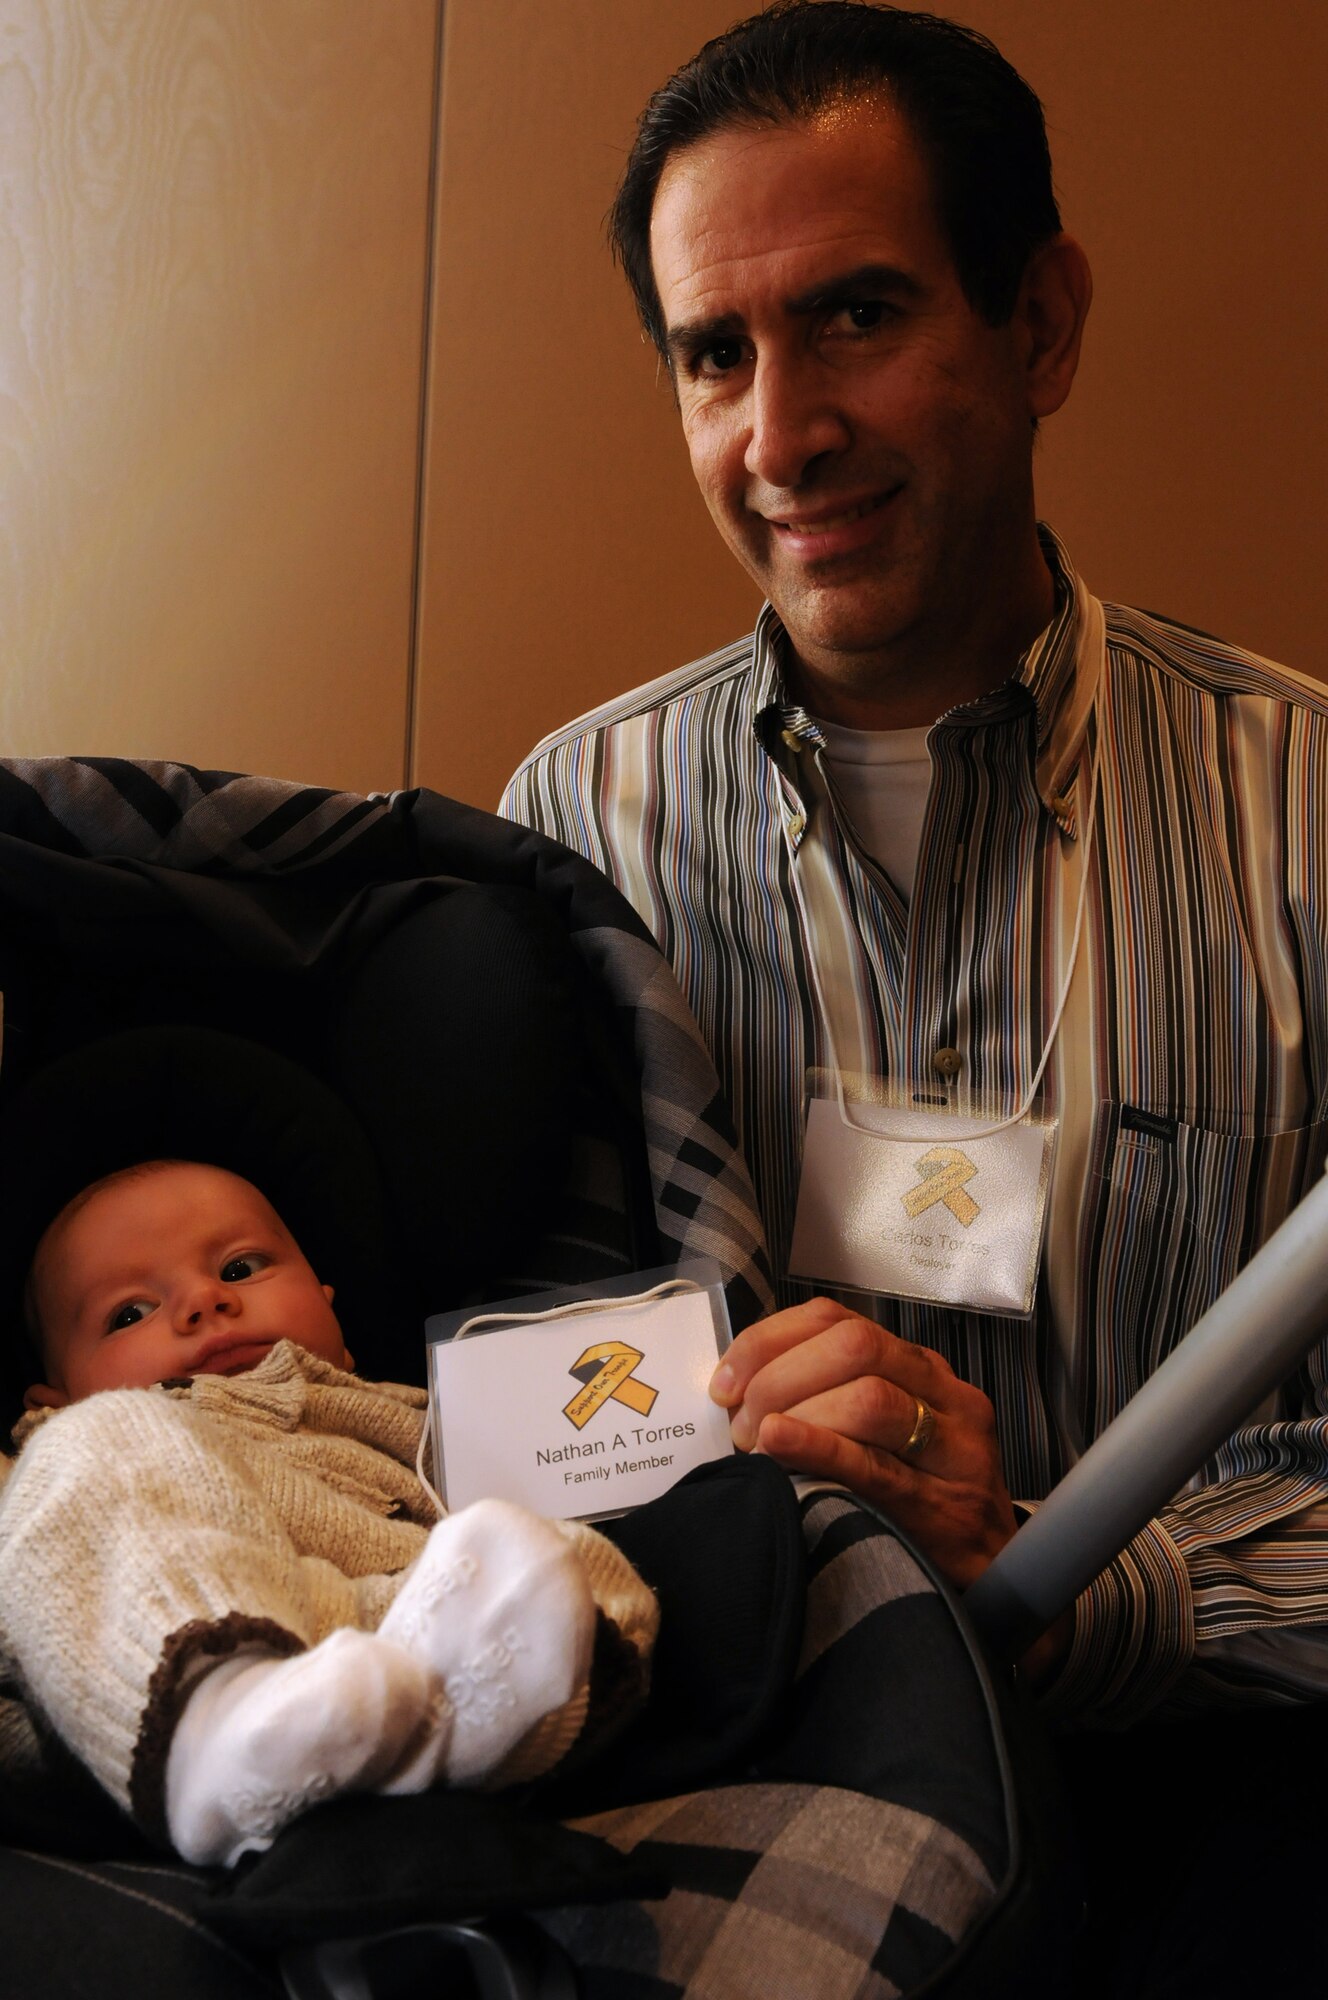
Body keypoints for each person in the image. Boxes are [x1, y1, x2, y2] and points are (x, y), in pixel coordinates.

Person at [502, 10, 1328, 1980]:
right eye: (718, 355)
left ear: (1038, 327)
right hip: (731, 1807)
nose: (779, 436)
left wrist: (1077, 1587)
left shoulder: (1306, 815)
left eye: (855, 317)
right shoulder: (564, 830)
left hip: (1217, 1812)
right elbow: (520, 1402)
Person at [0, 1158, 658, 1869]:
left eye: (241, 1267)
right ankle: (213, 1725)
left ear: (331, 1310)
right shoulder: (76, 1442)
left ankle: (415, 1748)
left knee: (573, 1564)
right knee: (106, 1439)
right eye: (130, 1313)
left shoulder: (430, 1418)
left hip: (399, 1638)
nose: (201, 1300)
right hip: (148, 1663)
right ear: (48, 1400)